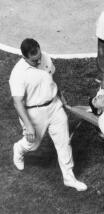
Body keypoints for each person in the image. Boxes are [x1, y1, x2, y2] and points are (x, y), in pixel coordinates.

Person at [9, 38, 87, 191]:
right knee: (32, 144)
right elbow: (17, 102)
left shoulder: (44, 56)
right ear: (24, 57)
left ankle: (69, 178)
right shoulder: (18, 74)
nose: (39, 62)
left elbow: (53, 74)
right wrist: (29, 126)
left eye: (39, 58)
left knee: (64, 142)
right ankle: (19, 149)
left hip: (54, 106)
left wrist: (61, 93)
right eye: (34, 61)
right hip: (34, 112)